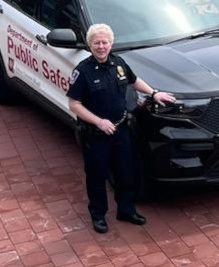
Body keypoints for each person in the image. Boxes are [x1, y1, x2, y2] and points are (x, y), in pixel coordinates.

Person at [67, 23, 176, 233]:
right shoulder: (83, 72)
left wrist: (154, 93)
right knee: (97, 176)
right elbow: (74, 104)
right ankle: (98, 215)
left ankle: (126, 210)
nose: (101, 47)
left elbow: (134, 81)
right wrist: (98, 121)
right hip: (96, 134)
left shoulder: (118, 63)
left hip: (121, 130)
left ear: (111, 43)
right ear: (90, 45)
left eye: (104, 42)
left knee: (126, 172)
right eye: (96, 43)